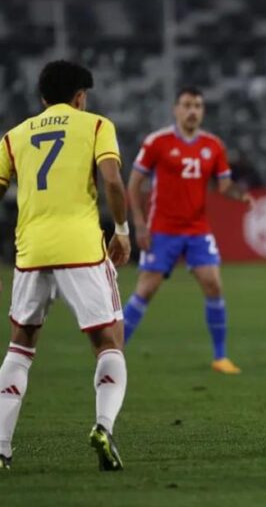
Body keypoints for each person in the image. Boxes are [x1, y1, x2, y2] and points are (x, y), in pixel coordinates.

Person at [0, 60, 131, 470]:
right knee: (109, 342)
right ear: (80, 97)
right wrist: (122, 229)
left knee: (20, 349)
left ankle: (1, 446)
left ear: (43, 97)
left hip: (31, 251)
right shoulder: (95, 125)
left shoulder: (13, 137)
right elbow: (111, 180)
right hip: (80, 248)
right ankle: (103, 426)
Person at [123, 86, 253, 374]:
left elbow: (223, 185)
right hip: (162, 229)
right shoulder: (157, 142)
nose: (192, 110)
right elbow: (133, 184)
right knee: (146, 289)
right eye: (187, 105)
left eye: (197, 105)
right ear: (176, 109)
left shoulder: (214, 145)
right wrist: (140, 224)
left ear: (202, 111)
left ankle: (220, 357)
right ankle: (113, 353)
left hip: (197, 229)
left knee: (213, 284)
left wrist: (240, 194)